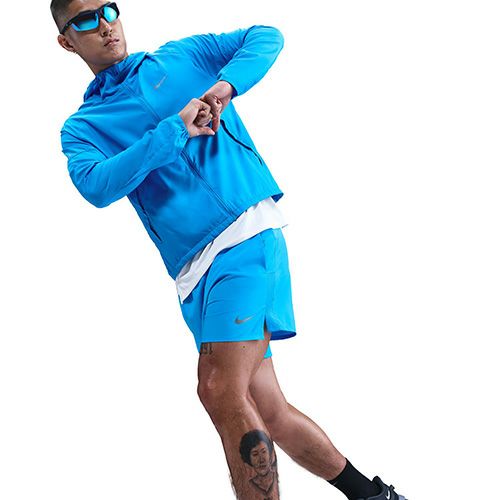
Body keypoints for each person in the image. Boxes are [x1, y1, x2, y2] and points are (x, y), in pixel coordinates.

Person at [51, 1, 408, 499]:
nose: (105, 24)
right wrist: (173, 130)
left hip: (244, 236)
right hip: (192, 273)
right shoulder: (84, 126)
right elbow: (95, 185)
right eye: (86, 19)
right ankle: (373, 496)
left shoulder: (182, 57)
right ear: (66, 41)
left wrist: (223, 88)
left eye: (108, 9)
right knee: (270, 410)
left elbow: (265, 35)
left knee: (219, 388)